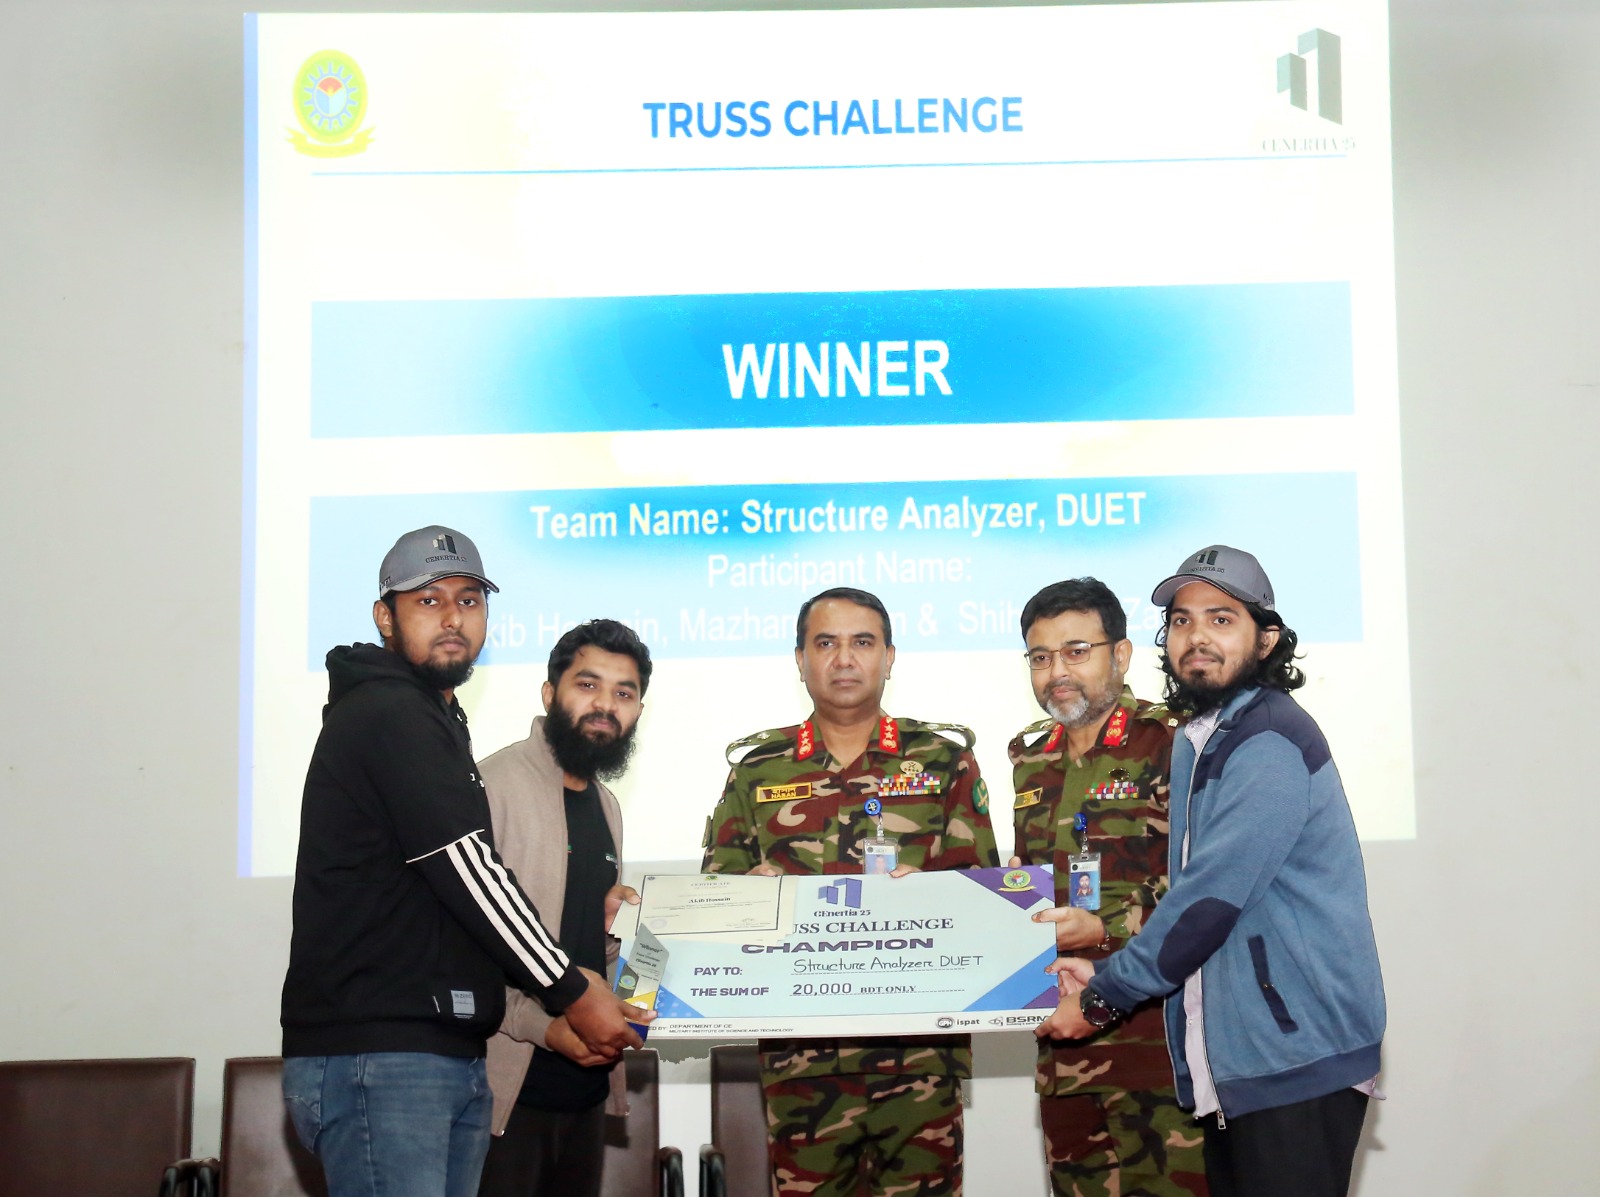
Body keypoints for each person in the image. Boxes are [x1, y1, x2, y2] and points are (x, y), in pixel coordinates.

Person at [280, 526, 648, 1197]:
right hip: (384, 1055)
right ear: (385, 615)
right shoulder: (390, 712)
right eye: (429, 600)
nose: (453, 616)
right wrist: (572, 990)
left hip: (438, 1052)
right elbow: (469, 872)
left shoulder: (433, 719)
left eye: (469, 600)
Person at [1039, 546, 1385, 1197]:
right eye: (1181, 620)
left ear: (1267, 638)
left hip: (1295, 1058)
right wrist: (1103, 972)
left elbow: (1206, 905)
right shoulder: (1206, 737)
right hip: (1247, 1060)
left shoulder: (1267, 739)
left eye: (1221, 619)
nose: (1196, 635)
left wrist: (1103, 995)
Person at [702, 586, 999, 1196]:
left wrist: (935, 897)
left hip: (920, 1054)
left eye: (862, 642)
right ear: (800, 660)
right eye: (825, 643)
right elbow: (714, 902)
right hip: (800, 1060)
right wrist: (745, 899)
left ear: (889, 657)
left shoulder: (942, 761)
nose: (844, 659)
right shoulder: (757, 771)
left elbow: (986, 898)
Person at [1009, 578, 1205, 1197]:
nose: (1057, 673)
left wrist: (1106, 924)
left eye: (1076, 652)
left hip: (1160, 1050)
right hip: (1064, 1048)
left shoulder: (1177, 742)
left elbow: (1210, 885)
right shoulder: (1030, 761)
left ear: (1120, 655)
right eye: (1041, 657)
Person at [476, 620, 652, 1197]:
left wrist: (617, 933)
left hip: (586, 1091)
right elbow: (462, 949)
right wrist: (545, 1028)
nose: (605, 705)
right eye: (588, 685)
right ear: (550, 693)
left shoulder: (606, 805)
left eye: (624, 693)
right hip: (504, 1094)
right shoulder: (490, 786)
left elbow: (581, 944)